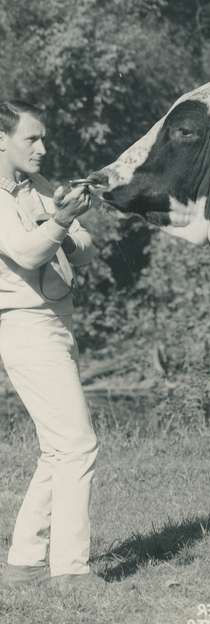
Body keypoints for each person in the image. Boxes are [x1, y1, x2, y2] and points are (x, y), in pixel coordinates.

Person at [0, 99, 102, 590]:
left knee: (57, 449)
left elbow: (85, 253)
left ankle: (23, 561)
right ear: (2, 140)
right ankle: (70, 570)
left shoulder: (39, 186)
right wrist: (60, 222)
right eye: (31, 139)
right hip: (23, 323)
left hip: (58, 321)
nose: (43, 148)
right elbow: (23, 252)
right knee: (78, 444)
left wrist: (68, 219)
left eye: (43, 138)